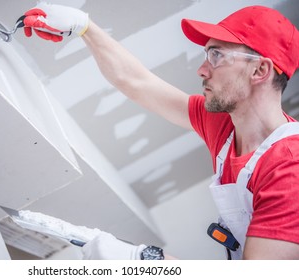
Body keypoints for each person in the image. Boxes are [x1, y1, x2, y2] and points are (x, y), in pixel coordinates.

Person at [23, 2, 299, 260]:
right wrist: (84, 26)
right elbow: (137, 82)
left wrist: (144, 260)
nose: (202, 69)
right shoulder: (226, 126)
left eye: (217, 55)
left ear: (260, 70)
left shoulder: (289, 170)